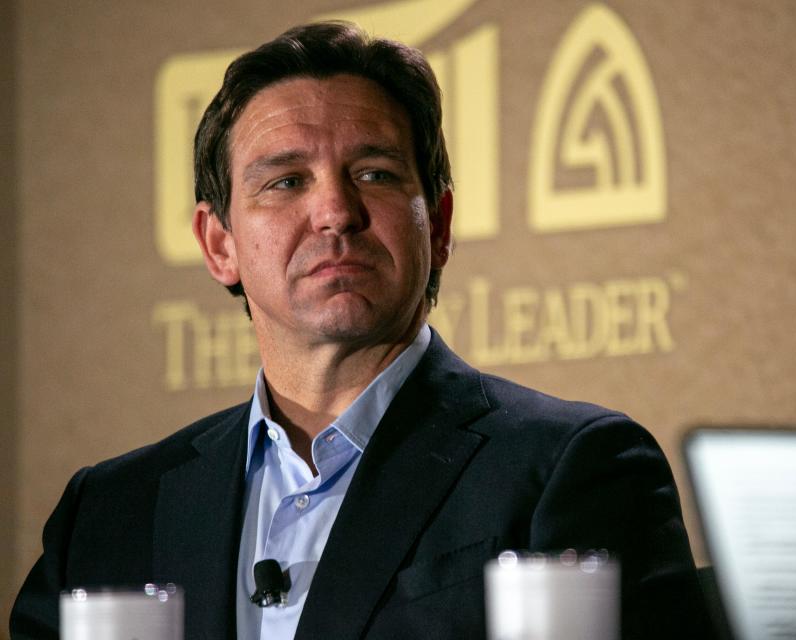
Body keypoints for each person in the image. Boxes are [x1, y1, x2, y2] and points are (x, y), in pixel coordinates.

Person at [10, 22, 709, 639]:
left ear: (436, 226)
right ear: (218, 243)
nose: (335, 211)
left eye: (373, 173)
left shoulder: (573, 469)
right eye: (285, 182)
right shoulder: (107, 515)